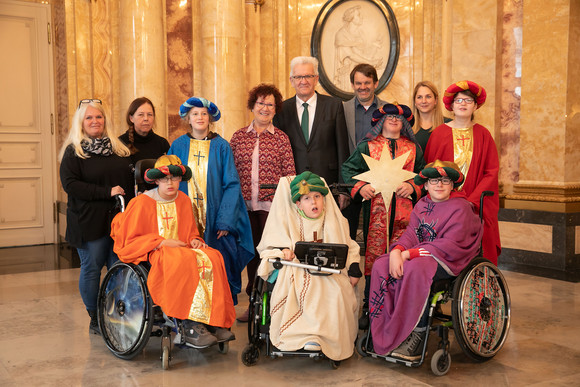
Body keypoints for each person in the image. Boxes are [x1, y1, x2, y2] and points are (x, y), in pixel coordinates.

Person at [110, 155, 235, 348]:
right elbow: (131, 238)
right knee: (180, 260)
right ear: (157, 180)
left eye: (174, 178)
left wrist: (194, 240)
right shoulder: (142, 202)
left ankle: (213, 320)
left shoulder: (184, 201)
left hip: (182, 248)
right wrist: (161, 242)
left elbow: (190, 232)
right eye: (165, 179)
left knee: (212, 257)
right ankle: (188, 324)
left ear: (180, 180)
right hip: (156, 250)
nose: (170, 183)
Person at [368, 161, 483, 360]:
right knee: (381, 264)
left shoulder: (461, 207)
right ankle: (387, 329)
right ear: (426, 185)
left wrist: (408, 254)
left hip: (449, 259)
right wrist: (397, 250)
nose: (439, 185)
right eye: (434, 181)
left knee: (414, 269)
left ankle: (417, 334)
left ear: (452, 185)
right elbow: (412, 234)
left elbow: (449, 244)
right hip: (420, 255)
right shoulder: (422, 205)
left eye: (445, 180)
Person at [256, 172, 362, 361]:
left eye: (317, 197)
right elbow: (269, 248)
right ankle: (306, 336)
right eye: (307, 198)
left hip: (329, 271)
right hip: (298, 270)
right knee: (308, 286)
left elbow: (349, 245)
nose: (313, 202)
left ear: (324, 199)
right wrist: (283, 252)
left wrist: (354, 267)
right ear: (298, 204)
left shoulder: (335, 221)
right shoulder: (288, 220)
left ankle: (327, 337)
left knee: (337, 289)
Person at [342, 103, 425, 318]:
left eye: (399, 117)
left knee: (403, 256)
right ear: (381, 121)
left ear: (405, 122)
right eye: (389, 117)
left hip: (406, 213)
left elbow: (424, 176)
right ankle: (370, 307)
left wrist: (413, 186)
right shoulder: (367, 146)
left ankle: (400, 307)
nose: (394, 120)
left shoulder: (413, 148)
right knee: (375, 257)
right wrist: (361, 187)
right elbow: (348, 168)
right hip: (375, 213)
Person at [59, 98, 135, 335]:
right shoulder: (74, 151)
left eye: (99, 117)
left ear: (105, 120)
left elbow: (128, 184)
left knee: (117, 268)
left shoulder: (118, 148)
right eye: (89, 117)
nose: (95, 121)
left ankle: (113, 313)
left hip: (117, 221)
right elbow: (71, 185)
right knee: (92, 269)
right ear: (81, 122)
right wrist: (106, 192)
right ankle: (95, 316)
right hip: (87, 221)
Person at [168, 96, 254, 304]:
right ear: (188, 119)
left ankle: (220, 310)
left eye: (203, 114)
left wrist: (225, 221)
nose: (199, 117)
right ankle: (189, 310)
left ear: (210, 118)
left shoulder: (221, 146)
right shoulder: (178, 146)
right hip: (187, 218)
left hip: (215, 219)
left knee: (219, 264)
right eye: (195, 114)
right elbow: (169, 181)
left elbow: (232, 184)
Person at [230, 84, 296, 322]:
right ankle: (253, 302)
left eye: (270, 104)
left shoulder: (281, 139)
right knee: (251, 254)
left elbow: (290, 175)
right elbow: (230, 172)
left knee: (270, 254)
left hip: (272, 207)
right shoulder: (238, 137)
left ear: (275, 109)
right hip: (245, 206)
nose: (265, 108)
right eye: (261, 103)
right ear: (252, 106)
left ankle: (271, 302)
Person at [424, 80, 500, 265]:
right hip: (444, 202)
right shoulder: (439, 133)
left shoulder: (484, 134)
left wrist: (472, 201)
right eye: (458, 100)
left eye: (467, 100)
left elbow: (491, 172)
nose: (463, 104)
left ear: (475, 105)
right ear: (451, 105)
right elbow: (430, 172)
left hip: (474, 204)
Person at [273, 56, 350, 210]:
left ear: (316, 79)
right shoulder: (282, 109)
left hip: (328, 185)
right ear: (291, 80)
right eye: (298, 77)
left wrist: (343, 189)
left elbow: (343, 148)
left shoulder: (334, 106)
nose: (303, 81)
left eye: (308, 76)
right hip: (294, 186)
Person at [342, 63, 386, 239]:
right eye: (358, 83)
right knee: (348, 231)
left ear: (375, 83)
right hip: (351, 180)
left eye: (367, 82)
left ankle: (376, 266)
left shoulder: (387, 110)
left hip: (379, 182)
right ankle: (352, 267)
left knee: (376, 232)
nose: (363, 87)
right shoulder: (342, 109)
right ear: (352, 85)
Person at [119, 97, 170, 192]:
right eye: (141, 115)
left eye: (150, 115)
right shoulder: (120, 143)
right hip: (131, 197)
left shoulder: (162, 143)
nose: (146, 119)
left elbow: (169, 175)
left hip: (159, 197)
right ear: (131, 118)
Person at [411, 81, 449, 152]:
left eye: (428, 97)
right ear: (415, 102)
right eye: (419, 97)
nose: (424, 101)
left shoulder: (449, 125)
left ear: (436, 100)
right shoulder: (407, 128)